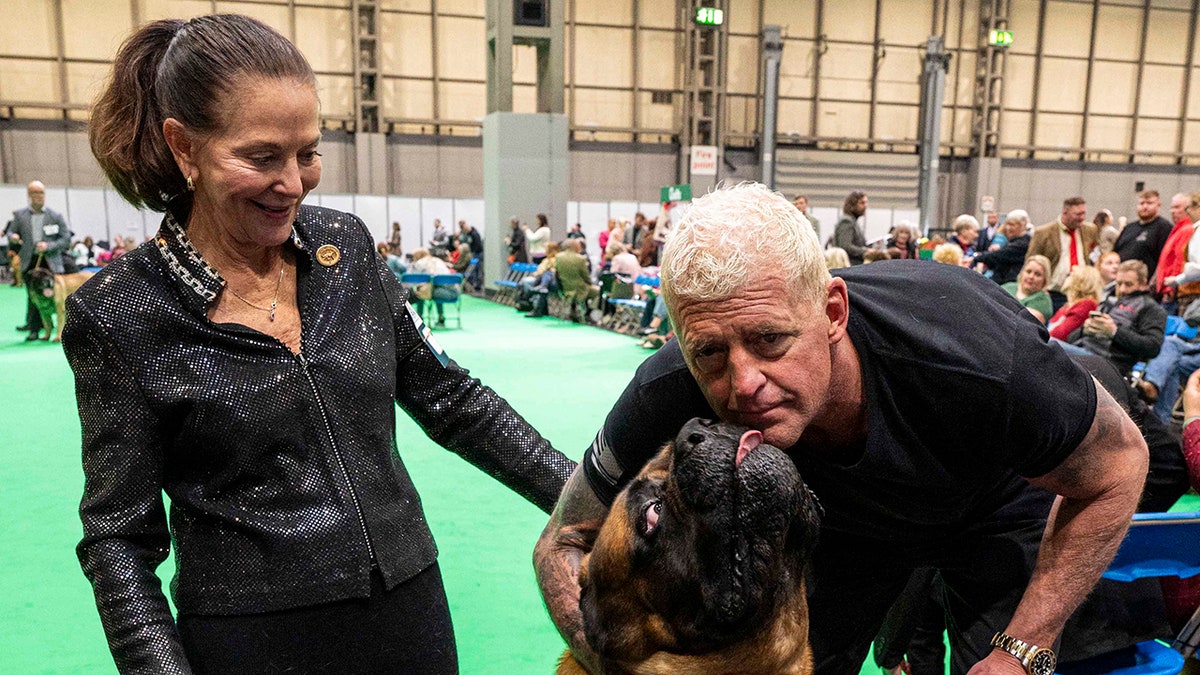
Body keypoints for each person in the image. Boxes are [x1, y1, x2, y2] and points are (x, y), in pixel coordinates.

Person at [71, 15, 574, 674]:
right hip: (252, 640)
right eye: (261, 156)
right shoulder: (119, 312)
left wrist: (592, 494)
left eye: (307, 150)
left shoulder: (349, 249)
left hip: (410, 613)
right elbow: (119, 539)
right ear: (185, 148)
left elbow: (453, 400)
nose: (293, 181)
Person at [534, 182, 1147, 675]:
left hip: (997, 503)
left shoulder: (975, 355)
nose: (743, 382)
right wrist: (615, 664)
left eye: (770, 339)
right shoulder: (670, 385)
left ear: (832, 312)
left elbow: (1120, 466)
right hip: (845, 527)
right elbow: (560, 541)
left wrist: (1025, 648)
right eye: (711, 353)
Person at [1064, 260, 1166, 376]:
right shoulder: (1108, 302)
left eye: (1128, 284)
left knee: (1049, 345)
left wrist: (1114, 332)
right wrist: (1084, 329)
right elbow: (1069, 339)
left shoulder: (1151, 308)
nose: (1122, 289)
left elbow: (1153, 347)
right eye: (1118, 284)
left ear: (1143, 284)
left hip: (1108, 364)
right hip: (1081, 352)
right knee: (1049, 346)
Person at [6, 180, 72, 341]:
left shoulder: (55, 216)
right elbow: (10, 232)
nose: (38, 196)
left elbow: (66, 239)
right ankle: (35, 329)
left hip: (50, 261)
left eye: (41, 192)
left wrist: (48, 245)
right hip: (30, 261)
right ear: (29, 195)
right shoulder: (20, 216)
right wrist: (13, 237)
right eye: (35, 193)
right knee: (33, 295)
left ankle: (62, 330)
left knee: (56, 297)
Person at [1027, 197, 1096, 314]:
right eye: (1078, 214)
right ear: (1065, 212)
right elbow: (1031, 261)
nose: (1082, 218)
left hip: (1081, 295)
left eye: (1084, 213)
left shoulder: (1090, 230)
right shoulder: (1043, 233)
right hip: (1053, 294)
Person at [1114, 190, 1173, 280]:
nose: (1145, 206)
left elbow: (1165, 260)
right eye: (1142, 203)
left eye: (1149, 203)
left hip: (1145, 283)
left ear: (1158, 205)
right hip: (1120, 279)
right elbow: (1115, 251)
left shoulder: (1164, 227)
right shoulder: (1129, 227)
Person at [972, 209, 1031, 284]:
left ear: (1022, 225)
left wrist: (976, 257)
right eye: (1007, 224)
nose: (1007, 228)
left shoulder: (1023, 243)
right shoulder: (1013, 241)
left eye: (1012, 225)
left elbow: (999, 256)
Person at [1047, 266, 1103, 341]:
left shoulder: (1086, 305)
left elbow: (1061, 335)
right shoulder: (1066, 306)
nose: (1065, 278)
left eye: (1070, 275)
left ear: (1080, 281)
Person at [1002, 254, 1054, 324]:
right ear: (1022, 272)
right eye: (1028, 271)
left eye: (1037, 274)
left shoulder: (1043, 301)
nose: (1031, 277)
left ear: (1045, 280)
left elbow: (1023, 321)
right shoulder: (1008, 286)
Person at [834, 190, 868, 265]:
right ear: (852, 204)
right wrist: (867, 251)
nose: (865, 206)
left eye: (866, 202)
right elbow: (846, 246)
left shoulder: (853, 221)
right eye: (862, 203)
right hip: (849, 265)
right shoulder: (847, 221)